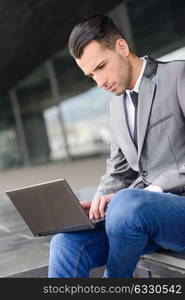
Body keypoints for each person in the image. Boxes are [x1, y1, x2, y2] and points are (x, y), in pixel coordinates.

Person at [48, 14, 185, 278]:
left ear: (121, 47)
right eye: (90, 75)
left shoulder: (178, 76)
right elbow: (117, 171)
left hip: (175, 211)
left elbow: (135, 196)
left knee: (126, 202)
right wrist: (97, 207)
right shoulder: (116, 107)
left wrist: (151, 192)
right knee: (64, 244)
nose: (99, 82)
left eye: (101, 67)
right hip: (136, 218)